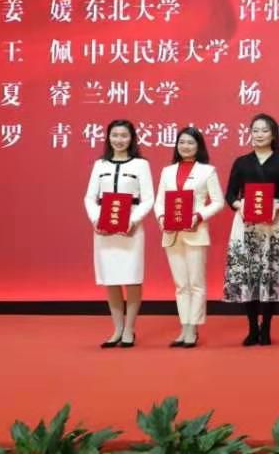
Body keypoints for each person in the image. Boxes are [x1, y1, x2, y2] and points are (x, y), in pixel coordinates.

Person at [223, 113, 279, 346]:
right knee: (249, 275)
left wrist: (278, 206)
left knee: (270, 274)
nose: (259, 134)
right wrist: (239, 205)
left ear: (273, 135)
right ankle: (252, 328)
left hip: (272, 225)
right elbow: (230, 194)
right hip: (246, 225)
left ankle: (266, 327)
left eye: (264, 130)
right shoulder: (241, 162)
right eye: (255, 130)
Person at [84, 119, 154, 348]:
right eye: (115, 135)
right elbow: (89, 197)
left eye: (124, 135)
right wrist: (96, 219)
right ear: (108, 137)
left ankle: (130, 329)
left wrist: (133, 221)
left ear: (132, 138)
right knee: (111, 278)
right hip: (104, 229)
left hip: (131, 229)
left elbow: (148, 199)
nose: (119, 140)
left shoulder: (141, 165)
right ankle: (117, 328)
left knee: (132, 278)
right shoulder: (100, 165)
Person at [153, 126, 224, 348]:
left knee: (196, 283)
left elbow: (218, 202)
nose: (185, 146)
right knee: (180, 284)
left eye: (190, 143)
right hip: (171, 233)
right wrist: (162, 219)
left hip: (196, 232)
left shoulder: (207, 171)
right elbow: (159, 202)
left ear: (199, 146)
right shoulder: (167, 171)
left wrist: (199, 216)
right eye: (182, 142)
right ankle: (183, 327)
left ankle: (193, 328)